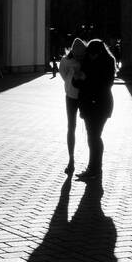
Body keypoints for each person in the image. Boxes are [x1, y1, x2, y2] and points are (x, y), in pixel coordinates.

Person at [72, 39, 117, 181]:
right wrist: (77, 77)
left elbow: (106, 84)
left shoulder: (108, 62)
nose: (91, 56)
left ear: (100, 52)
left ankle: (95, 168)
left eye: (94, 54)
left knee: (94, 136)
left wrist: (87, 78)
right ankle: (93, 168)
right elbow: (76, 83)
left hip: (101, 104)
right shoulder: (86, 60)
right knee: (92, 137)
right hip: (87, 105)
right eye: (90, 54)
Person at [56, 39, 88, 174]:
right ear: (72, 52)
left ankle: (89, 162)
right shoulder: (65, 61)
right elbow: (63, 75)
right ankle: (71, 159)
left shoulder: (87, 60)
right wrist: (71, 79)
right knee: (71, 127)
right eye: (77, 56)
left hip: (84, 96)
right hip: (71, 96)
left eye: (81, 56)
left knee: (89, 129)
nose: (79, 58)